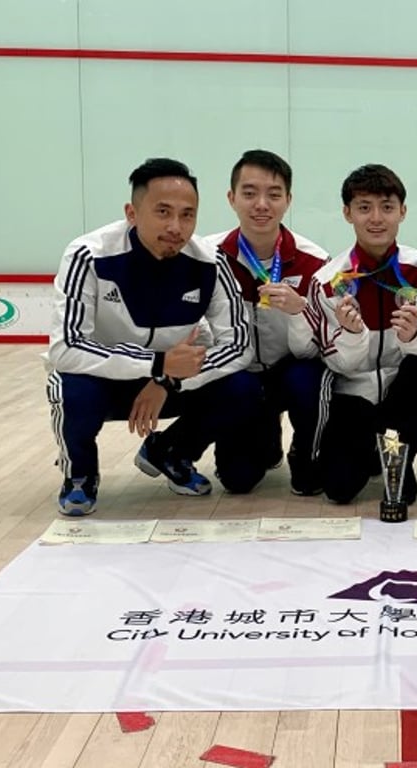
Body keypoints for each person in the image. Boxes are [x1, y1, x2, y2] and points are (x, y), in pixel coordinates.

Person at [46, 158, 257, 516]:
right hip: (105, 382)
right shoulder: (88, 255)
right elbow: (65, 348)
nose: (176, 226)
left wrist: (166, 379)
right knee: (69, 388)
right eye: (163, 212)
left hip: (172, 382)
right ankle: (80, 474)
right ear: (132, 212)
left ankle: (172, 452)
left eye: (187, 214)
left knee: (243, 389)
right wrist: (155, 362)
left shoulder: (211, 262)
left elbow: (239, 346)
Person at [310, 164, 417, 504]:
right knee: (339, 490)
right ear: (347, 213)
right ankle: (372, 449)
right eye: (364, 207)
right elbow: (337, 363)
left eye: (386, 207)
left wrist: (413, 338)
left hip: (404, 393)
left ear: (403, 212)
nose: (376, 218)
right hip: (354, 395)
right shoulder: (327, 281)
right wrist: (354, 335)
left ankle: (400, 458)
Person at [204, 149, 329, 495]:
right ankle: (264, 431)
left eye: (274, 194)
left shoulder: (314, 261)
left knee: (310, 377)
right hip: (237, 377)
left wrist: (299, 310)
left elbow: (323, 341)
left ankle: (305, 454)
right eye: (249, 193)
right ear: (231, 198)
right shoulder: (206, 257)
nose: (262, 204)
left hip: (290, 371)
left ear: (288, 200)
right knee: (238, 481)